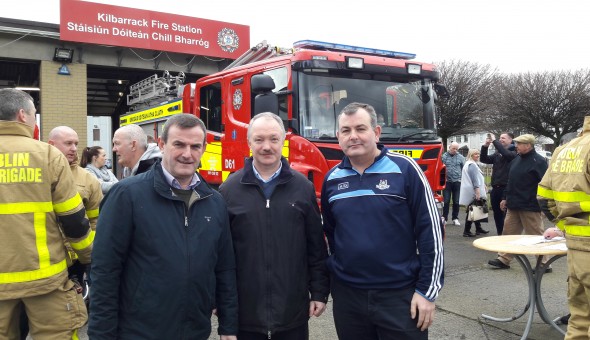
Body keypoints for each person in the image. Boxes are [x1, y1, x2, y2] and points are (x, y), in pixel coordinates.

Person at [88, 114, 238, 339]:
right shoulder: (127, 196)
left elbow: (224, 268)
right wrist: (102, 335)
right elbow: (104, 271)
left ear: (204, 148)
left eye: (195, 146)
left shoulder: (214, 202)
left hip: (194, 331)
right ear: (162, 144)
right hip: (139, 332)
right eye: (179, 144)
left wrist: (228, 325)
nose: (187, 154)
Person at [321, 102, 444, 339]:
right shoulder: (332, 179)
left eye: (360, 128)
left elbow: (431, 233)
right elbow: (332, 234)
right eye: (346, 131)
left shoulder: (406, 169)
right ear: (338, 137)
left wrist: (427, 292)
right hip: (349, 298)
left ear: (376, 133)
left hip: (399, 296)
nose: (353, 136)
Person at [219, 112, 330, 340]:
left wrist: (319, 292)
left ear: (283, 141)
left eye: (273, 139)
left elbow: (316, 247)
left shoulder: (303, 188)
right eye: (259, 140)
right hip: (246, 316)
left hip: (293, 314)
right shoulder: (229, 190)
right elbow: (220, 255)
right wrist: (218, 299)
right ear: (249, 143)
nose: (266, 146)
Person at [0, 88, 94, 339]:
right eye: (33, 114)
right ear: (22, 115)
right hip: (46, 282)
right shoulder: (48, 156)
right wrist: (88, 259)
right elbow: (74, 221)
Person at [538, 129, 582, 328]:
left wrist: (564, 227)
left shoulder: (561, 154)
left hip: (577, 240)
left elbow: (544, 197)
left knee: (579, 315)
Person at [488, 134, 548, 270]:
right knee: (508, 233)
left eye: (519, 144)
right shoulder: (516, 160)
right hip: (513, 204)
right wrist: (505, 198)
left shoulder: (539, 161)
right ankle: (504, 259)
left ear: (528, 145)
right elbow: (510, 181)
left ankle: (543, 263)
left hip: (530, 205)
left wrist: (544, 205)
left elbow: (545, 184)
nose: (516, 146)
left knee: (536, 235)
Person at [480, 132, 517, 235]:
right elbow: (484, 159)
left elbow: (506, 154)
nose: (501, 140)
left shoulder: (514, 152)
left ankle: (507, 236)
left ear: (510, 140)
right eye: (500, 138)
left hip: (506, 188)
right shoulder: (497, 153)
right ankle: (500, 234)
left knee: (506, 214)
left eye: (503, 138)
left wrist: (494, 140)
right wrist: (485, 146)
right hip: (495, 188)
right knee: (497, 214)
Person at [459, 149, 489, 237]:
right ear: (471, 155)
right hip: (473, 190)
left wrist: (483, 185)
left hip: (471, 189)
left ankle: (478, 228)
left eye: (478, 154)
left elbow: (477, 178)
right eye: (475, 154)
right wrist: (477, 190)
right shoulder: (471, 165)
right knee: (472, 210)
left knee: (475, 208)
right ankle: (467, 231)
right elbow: (474, 179)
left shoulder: (470, 163)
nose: (478, 155)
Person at [442, 142, 465, 226]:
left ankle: (455, 218)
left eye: (456, 149)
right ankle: (444, 218)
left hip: (457, 181)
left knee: (456, 201)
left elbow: (464, 169)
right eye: (453, 148)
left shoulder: (461, 157)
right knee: (446, 200)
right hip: (447, 181)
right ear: (449, 147)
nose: (455, 150)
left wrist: (462, 179)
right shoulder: (443, 157)